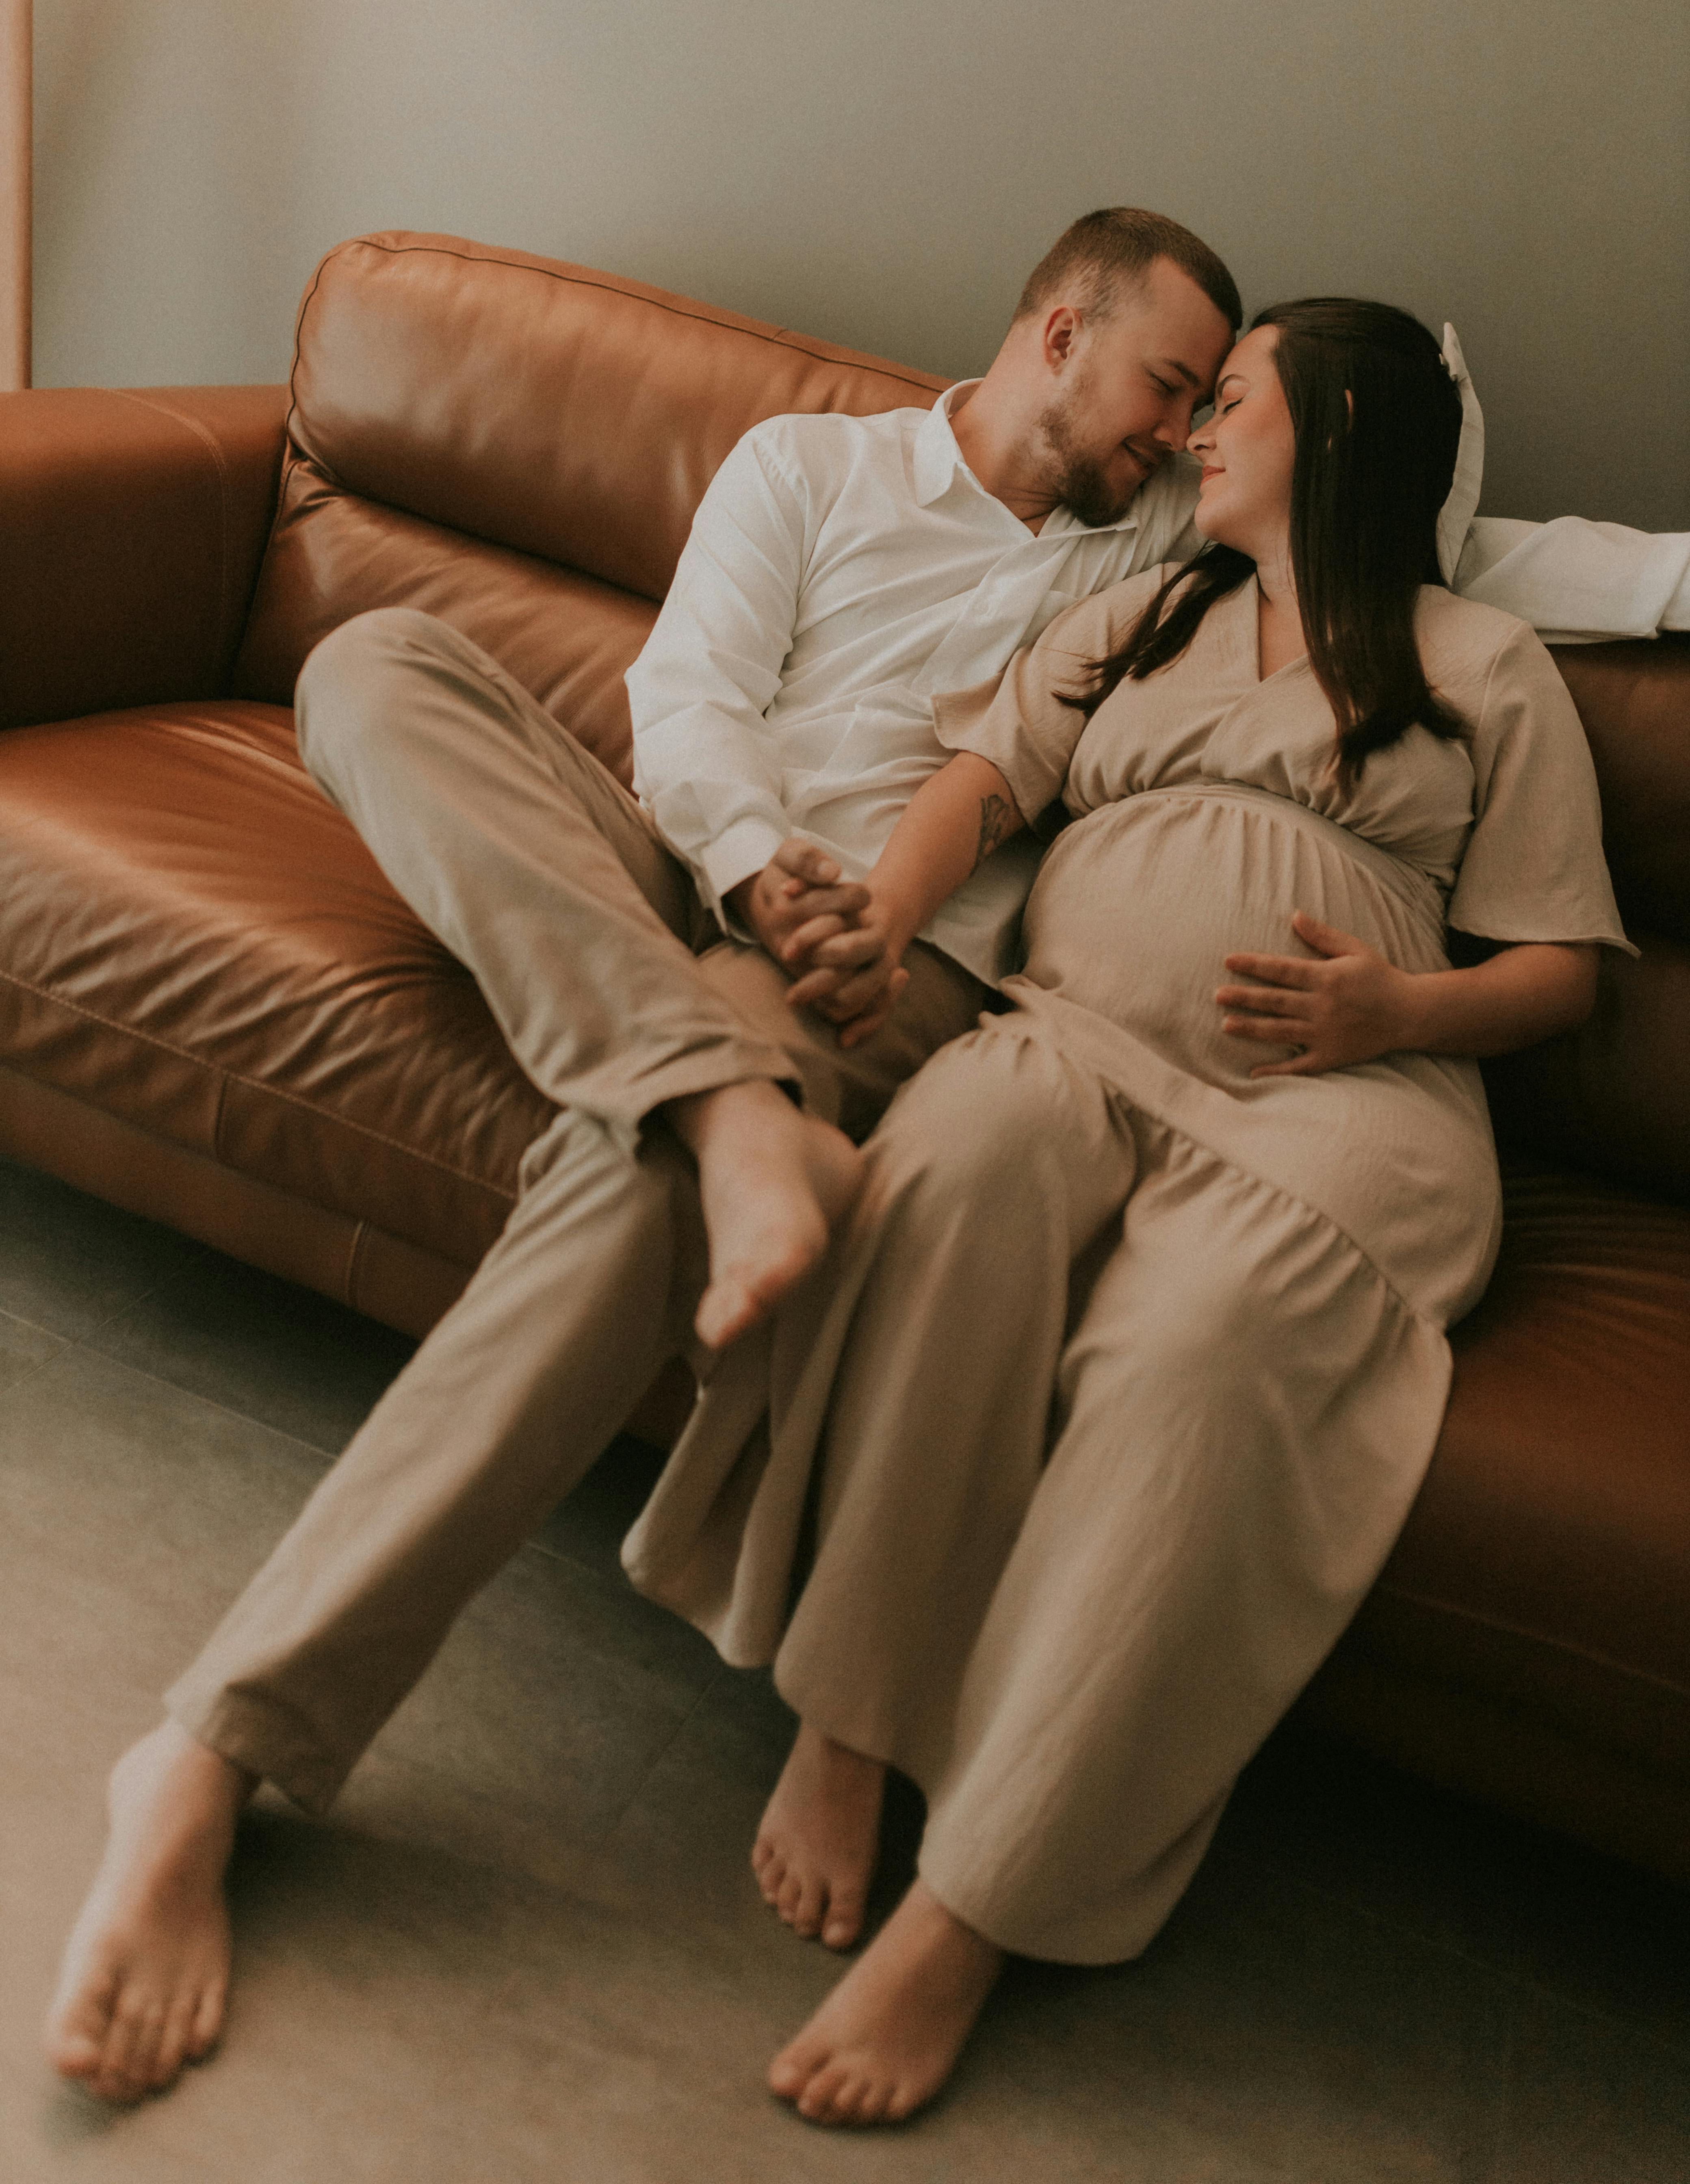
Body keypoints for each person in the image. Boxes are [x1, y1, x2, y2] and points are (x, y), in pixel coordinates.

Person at [41, 209, 1666, 2109]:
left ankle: (210, 1750)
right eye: (1163, 386)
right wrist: (753, 872)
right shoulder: (806, 465)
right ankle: (715, 1104)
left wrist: (855, 940)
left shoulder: (1156, 565)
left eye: (1212, 409)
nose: (1171, 436)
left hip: (884, 987)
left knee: (633, 1178)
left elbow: (1426, 536)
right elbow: (680, 706)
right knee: (380, 660)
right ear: (1058, 334)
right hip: (676, 869)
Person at [619, 299, 1634, 2126]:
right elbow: (973, 787)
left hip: (1344, 1114)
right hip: (1072, 1039)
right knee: (956, 1163)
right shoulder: (1129, 617)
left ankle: (979, 1896)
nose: (1188, 438)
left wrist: (1397, 1012)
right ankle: (847, 1720)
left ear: (1333, 435)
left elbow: (1560, 970)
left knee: (1195, 1349)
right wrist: (859, 934)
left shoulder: (1480, 664)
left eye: (1224, 402)